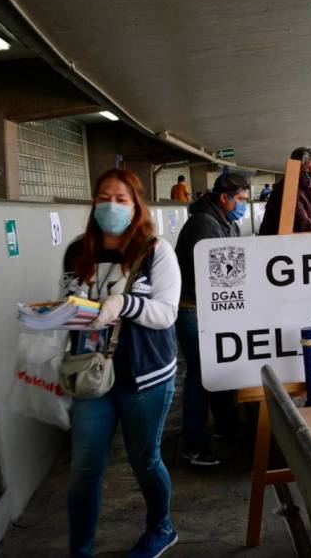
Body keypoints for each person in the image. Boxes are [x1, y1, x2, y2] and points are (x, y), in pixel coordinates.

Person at [62, 169, 181, 558]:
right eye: (103, 197)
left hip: (144, 376)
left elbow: (166, 312)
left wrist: (122, 304)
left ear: (136, 205)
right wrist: (57, 314)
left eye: (121, 199)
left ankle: (161, 528)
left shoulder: (155, 250)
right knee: (83, 470)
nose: (110, 205)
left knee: (145, 461)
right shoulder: (78, 251)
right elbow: (69, 303)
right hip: (92, 374)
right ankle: (80, 549)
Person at [174, 172, 250, 466]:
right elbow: (222, 273)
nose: (243, 205)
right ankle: (194, 445)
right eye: (241, 200)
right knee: (200, 377)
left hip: (209, 308)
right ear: (224, 198)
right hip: (193, 309)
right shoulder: (206, 224)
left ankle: (225, 427)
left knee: (219, 369)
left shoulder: (223, 221)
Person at [259, 146, 311, 235]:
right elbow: (302, 225)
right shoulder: (285, 190)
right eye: (307, 168)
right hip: (280, 245)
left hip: (308, 241)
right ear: (296, 167)